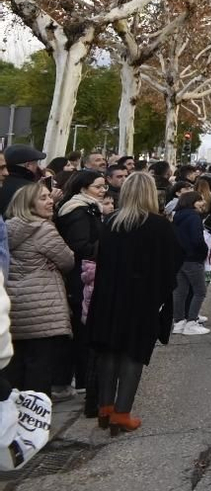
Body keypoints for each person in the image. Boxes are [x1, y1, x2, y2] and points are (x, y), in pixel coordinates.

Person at [85, 172, 179, 434]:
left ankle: (104, 408)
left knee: (109, 351)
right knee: (133, 352)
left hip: (109, 296)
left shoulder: (112, 221)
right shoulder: (159, 226)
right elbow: (173, 262)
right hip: (142, 298)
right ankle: (122, 413)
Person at [3, 181, 76, 397]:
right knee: (39, 370)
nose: (50, 201)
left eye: (49, 196)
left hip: (14, 307)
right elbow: (67, 260)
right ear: (29, 204)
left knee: (15, 368)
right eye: (43, 198)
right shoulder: (43, 229)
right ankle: (35, 424)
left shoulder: (7, 228)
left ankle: (12, 422)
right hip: (42, 309)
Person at [55, 169, 111, 415]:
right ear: (83, 188)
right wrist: (108, 246)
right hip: (82, 277)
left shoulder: (89, 208)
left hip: (86, 275)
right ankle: (83, 380)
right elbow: (80, 247)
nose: (103, 191)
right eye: (98, 187)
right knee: (83, 328)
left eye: (104, 187)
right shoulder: (78, 211)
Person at [171, 191, 211, 336]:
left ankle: (179, 322)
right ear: (191, 202)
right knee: (200, 291)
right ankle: (191, 322)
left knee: (180, 291)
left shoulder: (177, 216)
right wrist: (204, 251)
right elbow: (197, 239)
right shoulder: (194, 217)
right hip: (193, 259)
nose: (203, 203)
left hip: (179, 259)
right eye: (200, 200)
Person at [1, 145, 47, 213]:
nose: (38, 166)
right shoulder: (31, 189)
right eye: (36, 163)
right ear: (28, 165)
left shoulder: (3, 183)